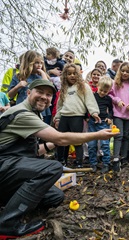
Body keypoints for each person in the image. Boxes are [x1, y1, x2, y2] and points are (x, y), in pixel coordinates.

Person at [0, 79, 117, 238]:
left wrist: (52, 144)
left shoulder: (33, 114)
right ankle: (7, 224)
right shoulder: (22, 114)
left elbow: (33, 151)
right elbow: (61, 138)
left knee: (55, 196)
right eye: (39, 92)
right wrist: (98, 134)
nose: (44, 97)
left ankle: (11, 202)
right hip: (3, 168)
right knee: (53, 167)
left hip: (9, 169)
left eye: (48, 95)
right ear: (28, 93)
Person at [54, 63, 100, 167]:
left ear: (78, 75)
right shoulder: (64, 88)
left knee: (77, 140)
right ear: (65, 75)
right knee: (62, 141)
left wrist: (94, 112)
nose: (72, 76)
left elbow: (90, 100)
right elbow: (60, 105)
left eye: (74, 73)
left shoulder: (83, 86)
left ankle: (79, 162)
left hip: (77, 116)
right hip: (64, 117)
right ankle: (61, 161)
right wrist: (57, 118)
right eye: (69, 74)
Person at [109, 62, 129, 171]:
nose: (125, 73)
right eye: (123, 71)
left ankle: (124, 157)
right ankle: (116, 158)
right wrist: (117, 100)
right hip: (118, 113)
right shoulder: (116, 83)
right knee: (118, 135)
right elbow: (110, 95)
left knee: (126, 136)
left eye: (127, 71)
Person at [88, 76, 113, 173]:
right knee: (92, 144)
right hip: (92, 122)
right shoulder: (93, 96)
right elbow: (87, 106)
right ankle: (93, 163)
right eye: (101, 90)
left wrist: (109, 118)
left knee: (105, 144)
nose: (102, 93)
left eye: (105, 92)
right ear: (98, 86)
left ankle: (106, 163)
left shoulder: (108, 99)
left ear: (109, 91)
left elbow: (111, 110)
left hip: (103, 122)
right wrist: (87, 116)